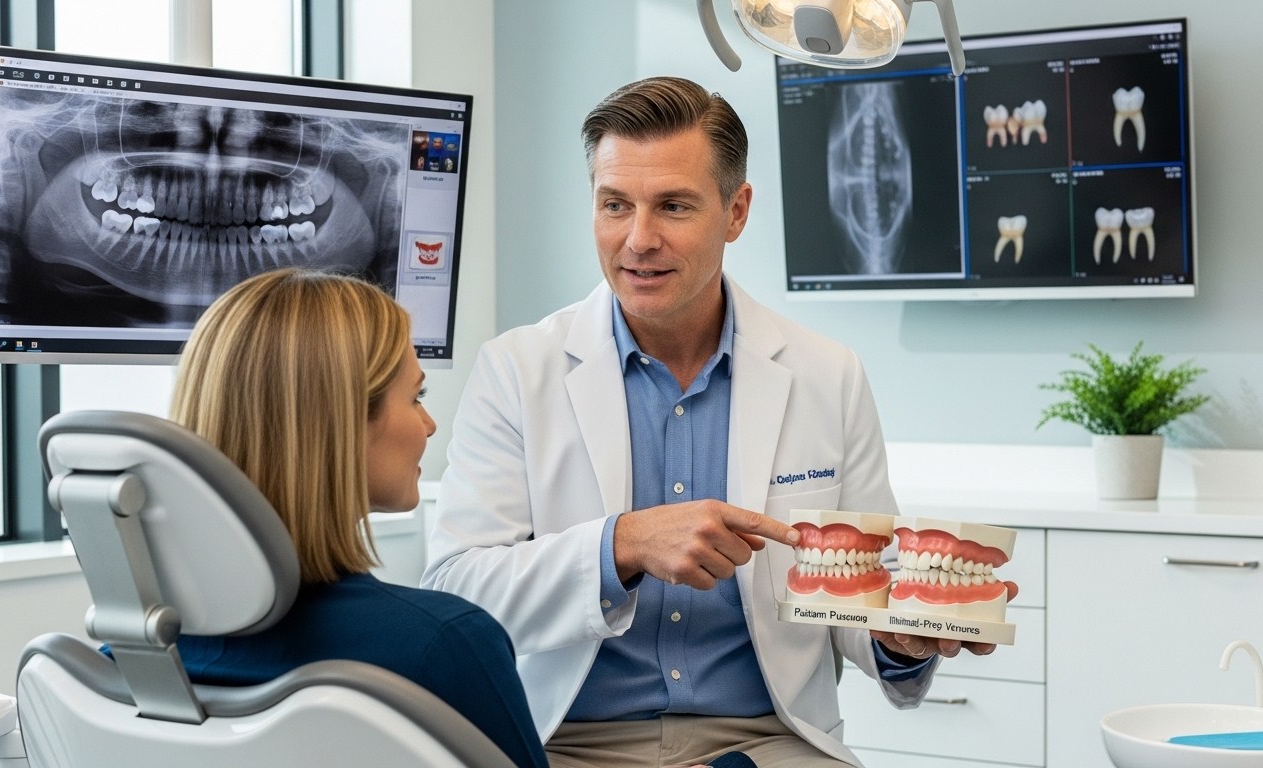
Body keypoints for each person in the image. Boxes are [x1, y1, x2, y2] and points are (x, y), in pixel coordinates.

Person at [422, 77, 1008, 767]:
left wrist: (898, 640)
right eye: (615, 205)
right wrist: (621, 546)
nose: (638, 239)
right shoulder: (517, 371)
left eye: (673, 206)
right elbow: (456, 591)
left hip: (767, 741)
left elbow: (861, 595)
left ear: (736, 212)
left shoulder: (827, 375)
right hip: (570, 744)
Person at [167, 267, 548, 768]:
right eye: (416, 397)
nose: (429, 425)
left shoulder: (140, 656)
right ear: (343, 423)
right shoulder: (442, 646)